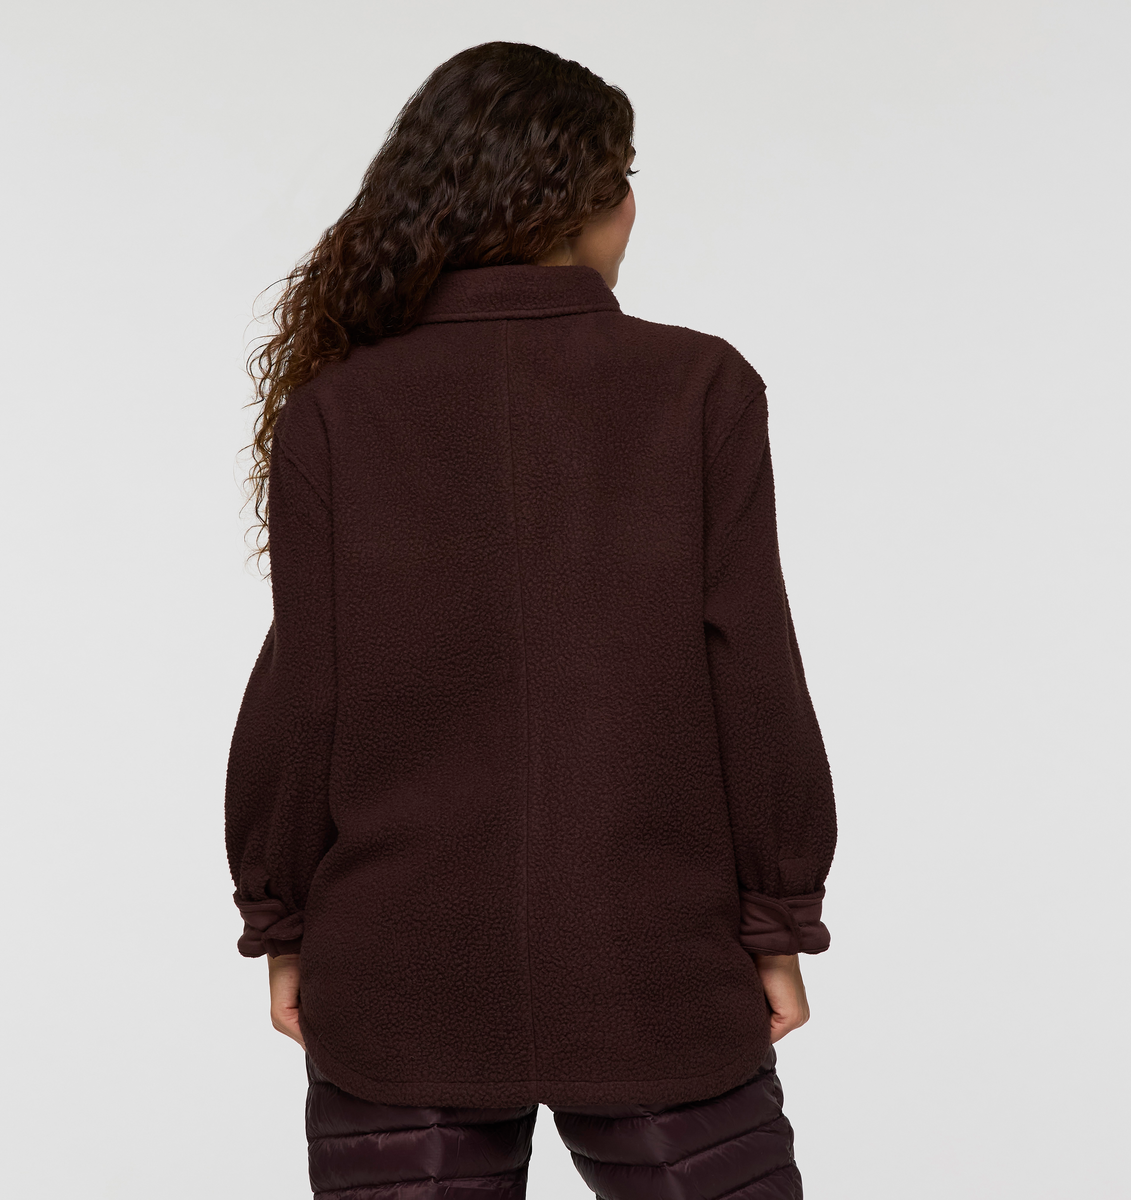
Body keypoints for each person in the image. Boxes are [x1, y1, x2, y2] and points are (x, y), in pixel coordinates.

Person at [224, 41, 837, 1200]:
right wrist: (776, 918)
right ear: (579, 202)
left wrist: (283, 919)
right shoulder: (700, 388)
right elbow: (752, 669)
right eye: (624, 176)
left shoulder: (336, 414)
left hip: (400, 970)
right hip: (652, 960)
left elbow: (305, 693)